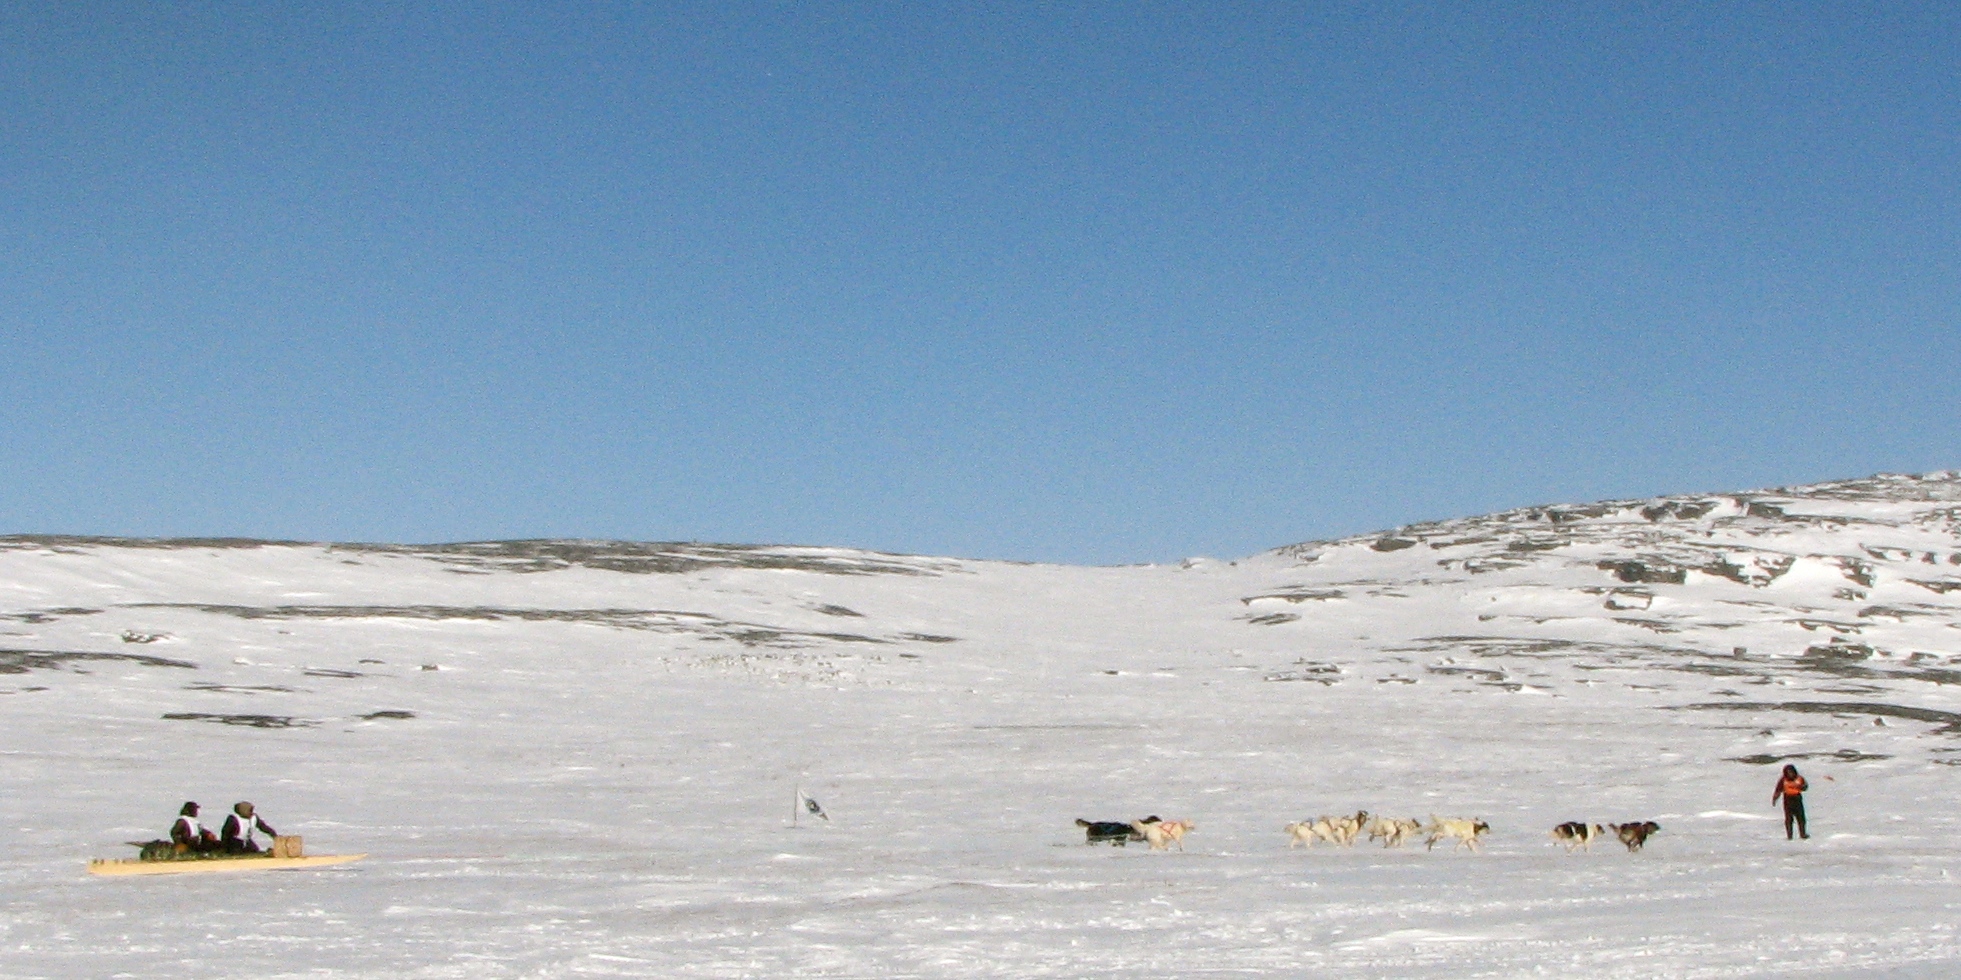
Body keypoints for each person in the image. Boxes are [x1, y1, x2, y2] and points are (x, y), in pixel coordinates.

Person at [1772, 764, 1809, 840]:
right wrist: (1775, 799)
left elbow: (1805, 787)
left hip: (1797, 799)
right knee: (1789, 819)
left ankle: (1803, 834)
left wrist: (1801, 787)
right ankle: (1789, 836)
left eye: (1791, 772)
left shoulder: (1800, 778)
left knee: (1801, 818)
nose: (1790, 774)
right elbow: (1778, 790)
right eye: (1788, 772)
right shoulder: (1783, 780)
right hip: (1788, 800)